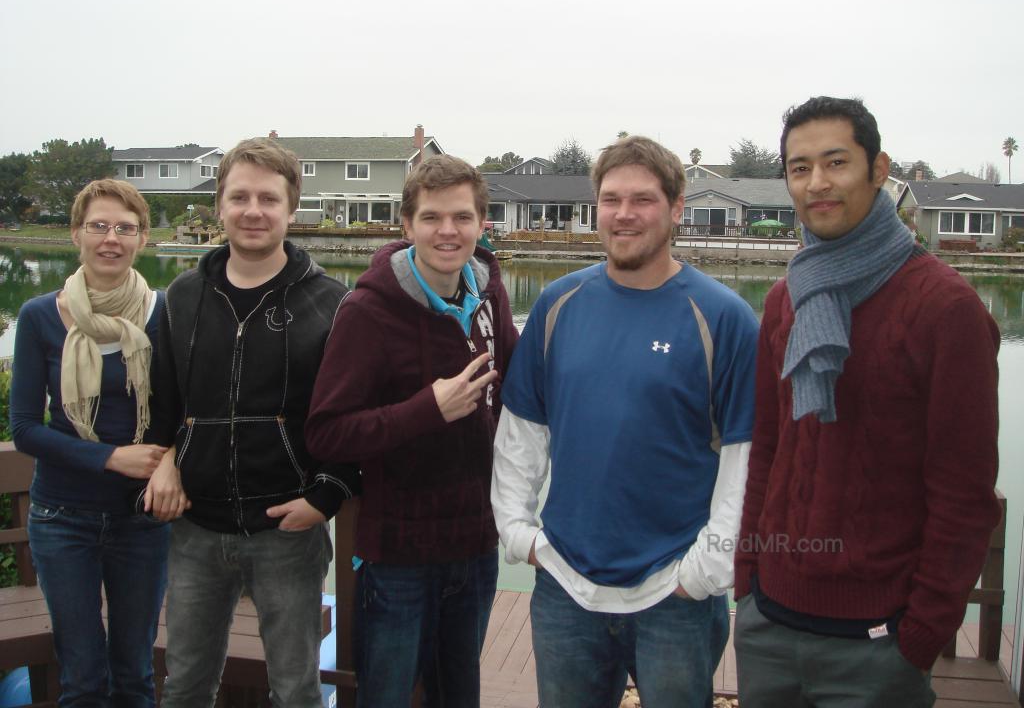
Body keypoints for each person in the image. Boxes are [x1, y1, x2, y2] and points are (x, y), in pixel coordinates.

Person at [733, 96, 1002, 708]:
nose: (817, 183)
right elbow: (770, 451)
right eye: (799, 168)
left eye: (836, 162)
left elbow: (963, 494)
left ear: (878, 169)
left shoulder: (945, 310)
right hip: (769, 624)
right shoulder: (786, 299)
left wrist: (923, 631)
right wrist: (746, 579)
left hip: (878, 645)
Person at [491, 136, 759, 708]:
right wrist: (518, 533)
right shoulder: (558, 304)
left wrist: (708, 567)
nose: (624, 214)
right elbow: (522, 433)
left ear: (677, 206)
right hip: (565, 585)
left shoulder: (723, 317)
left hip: (675, 594)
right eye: (611, 199)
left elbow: (745, 457)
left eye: (642, 199)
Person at [146, 137, 361, 708]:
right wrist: (162, 460)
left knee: (294, 689)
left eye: (269, 198)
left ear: (292, 209)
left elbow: (350, 418)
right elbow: (163, 404)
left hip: (285, 528)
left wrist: (327, 496)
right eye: (239, 196)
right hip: (195, 527)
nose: (253, 210)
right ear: (218, 205)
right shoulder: (181, 297)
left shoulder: (332, 303)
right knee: (186, 684)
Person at [305, 154, 519, 708]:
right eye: (431, 218)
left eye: (462, 218)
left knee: (458, 696)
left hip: (475, 545)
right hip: (399, 555)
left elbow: (518, 389)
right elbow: (327, 433)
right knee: (388, 697)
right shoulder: (368, 312)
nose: (447, 231)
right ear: (406, 225)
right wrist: (426, 409)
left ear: (480, 224)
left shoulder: (489, 296)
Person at [10, 179, 169, 706]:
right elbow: (26, 428)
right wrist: (111, 458)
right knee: (80, 680)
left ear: (142, 238)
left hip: (142, 520)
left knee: (135, 674)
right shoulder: (38, 316)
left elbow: (185, 411)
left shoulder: (164, 312)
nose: (111, 239)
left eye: (125, 228)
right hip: (63, 519)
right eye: (99, 226)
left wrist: (169, 465)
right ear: (77, 233)